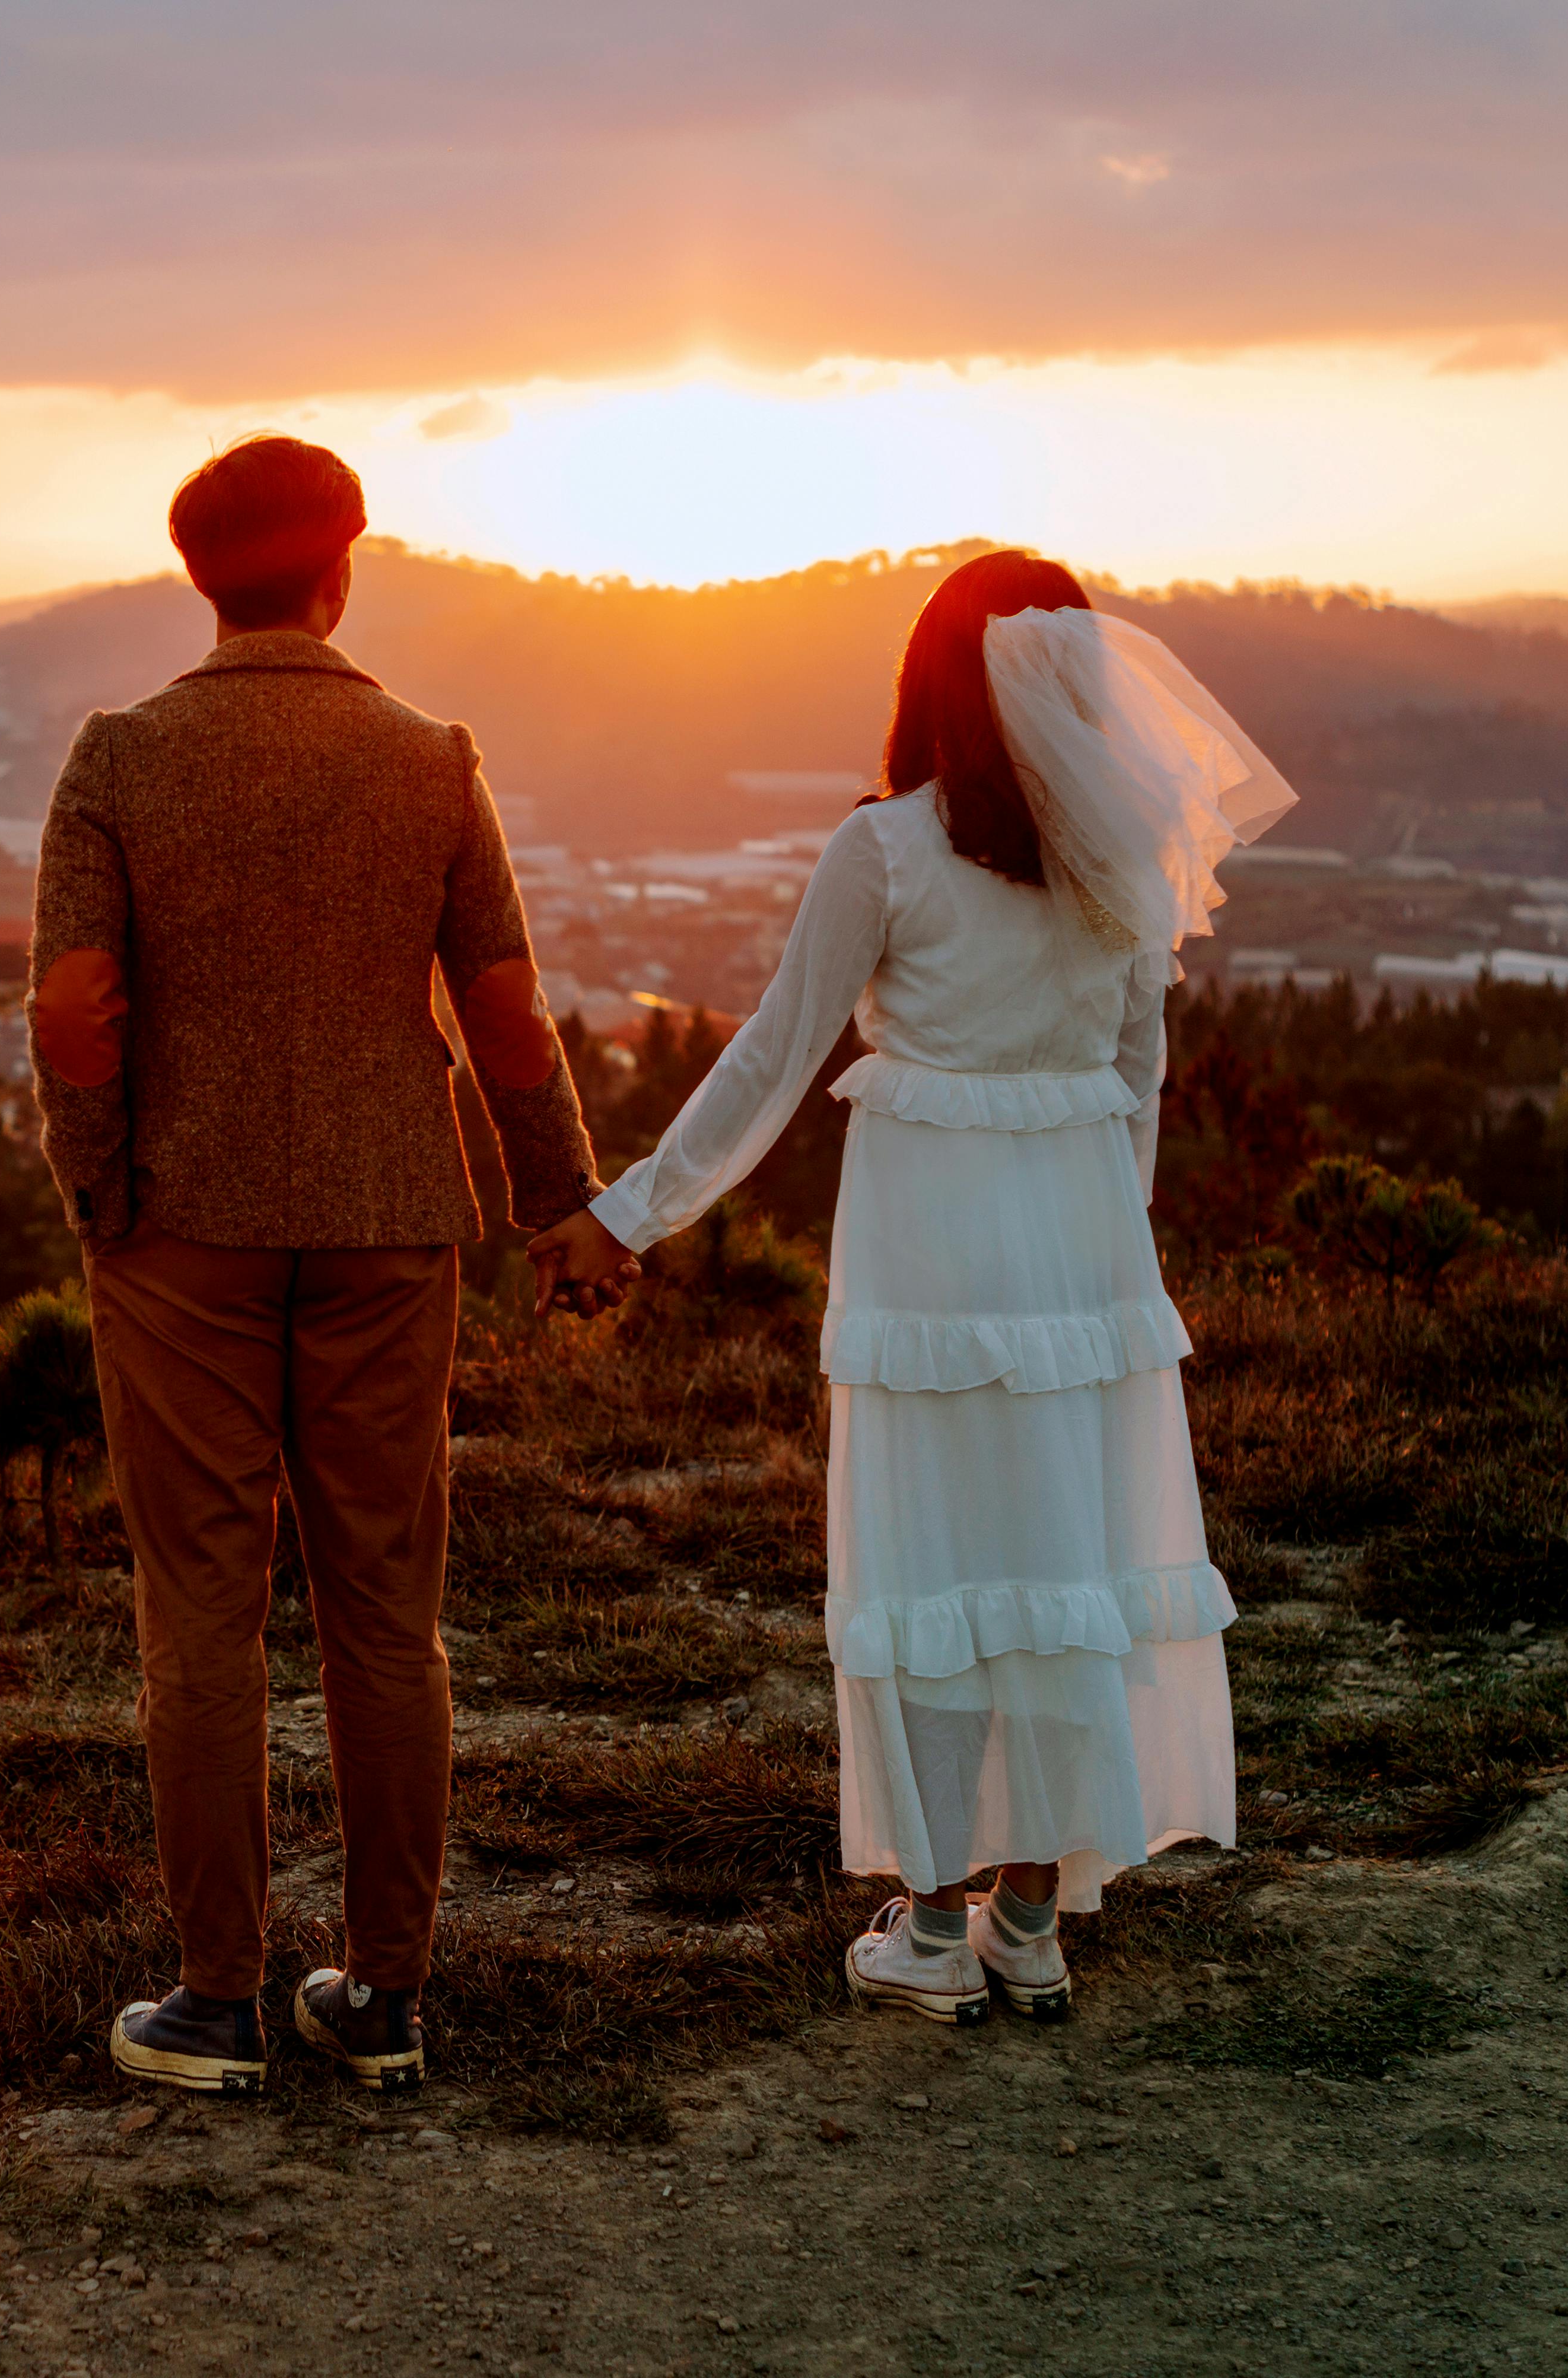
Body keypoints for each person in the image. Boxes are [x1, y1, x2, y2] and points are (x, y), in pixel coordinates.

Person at [529, 549, 1291, 2021]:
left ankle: (934, 1927)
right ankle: (1034, 1916)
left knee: (936, 1563)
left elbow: (775, 1053)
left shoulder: (887, 848)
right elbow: (1140, 1076)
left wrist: (629, 1216)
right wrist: (1103, 1248)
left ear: (928, 682)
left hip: (932, 1250)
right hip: (1080, 1247)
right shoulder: (1127, 858)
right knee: (1066, 1563)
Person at [29, 434, 618, 2096]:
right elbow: (502, 1013)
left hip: (179, 1224)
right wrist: (558, 1193)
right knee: (386, 1611)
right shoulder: (431, 758)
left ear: (199, 578)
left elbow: (78, 1012)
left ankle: (217, 2001)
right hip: (387, 1215)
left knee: (200, 1612)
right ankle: (385, 1996)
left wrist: (101, 1192)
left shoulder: (120, 758)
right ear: (342, 564)